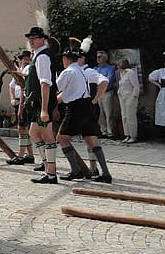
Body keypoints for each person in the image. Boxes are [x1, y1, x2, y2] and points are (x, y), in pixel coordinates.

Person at [55, 47, 112, 183]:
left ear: (66, 59)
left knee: (61, 137)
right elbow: (65, 93)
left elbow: (57, 89)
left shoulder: (69, 71)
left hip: (76, 107)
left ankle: (76, 171)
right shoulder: (83, 71)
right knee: (91, 139)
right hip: (87, 106)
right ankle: (105, 173)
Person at [24, 24, 60, 184]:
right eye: (30, 39)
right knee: (33, 132)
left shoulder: (43, 57)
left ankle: (51, 173)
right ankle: (47, 168)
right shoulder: (38, 56)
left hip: (42, 102)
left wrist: (44, 109)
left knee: (47, 135)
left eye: (34, 38)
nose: (31, 41)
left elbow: (45, 84)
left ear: (42, 40)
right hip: (38, 102)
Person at [6, 51, 35, 165]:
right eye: (23, 58)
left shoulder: (28, 70)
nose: (25, 60)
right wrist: (13, 98)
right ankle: (30, 155)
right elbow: (11, 86)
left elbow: (24, 88)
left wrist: (21, 105)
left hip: (25, 101)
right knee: (23, 128)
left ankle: (21, 155)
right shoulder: (21, 71)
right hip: (18, 101)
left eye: (27, 58)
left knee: (22, 128)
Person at [93, 51, 118, 139]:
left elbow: (109, 79)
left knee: (108, 112)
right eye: (97, 57)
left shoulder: (110, 68)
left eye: (99, 57)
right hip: (98, 93)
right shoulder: (95, 69)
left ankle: (110, 132)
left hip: (107, 92)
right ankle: (103, 130)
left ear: (105, 58)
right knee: (100, 113)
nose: (98, 59)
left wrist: (100, 82)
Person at [116, 58, 140, 144]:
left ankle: (133, 135)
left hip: (130, 97)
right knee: (124, 116)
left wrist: (134, 96)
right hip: (122, 97)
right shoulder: (122, 73)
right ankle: (127, 134)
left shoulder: (130, 72)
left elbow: (136, 86)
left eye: (119, 64)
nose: (118, 66)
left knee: (131, 116)